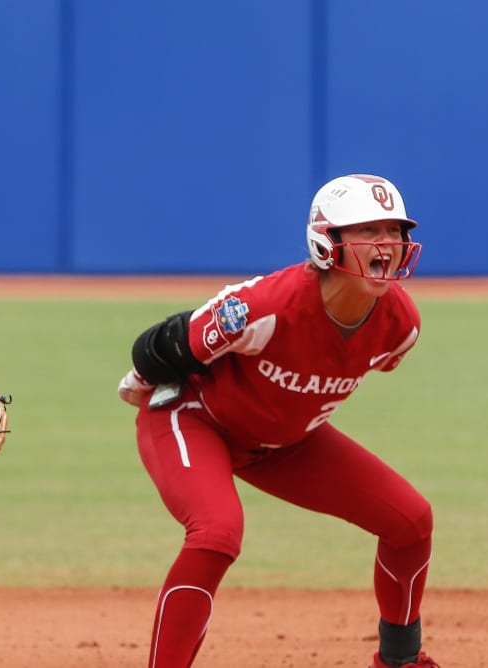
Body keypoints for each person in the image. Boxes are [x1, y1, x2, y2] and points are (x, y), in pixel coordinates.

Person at [117, 174, 439, 668]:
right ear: (327, 242)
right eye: (368, 230)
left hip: (287, 442)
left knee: (411, 521)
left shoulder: (400, 327)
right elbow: (171, 343)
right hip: (195, 418)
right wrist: (142, 375)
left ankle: (400, 661)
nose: (387, 244)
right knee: (217, 533)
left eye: (394, 231)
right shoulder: (264, 307)